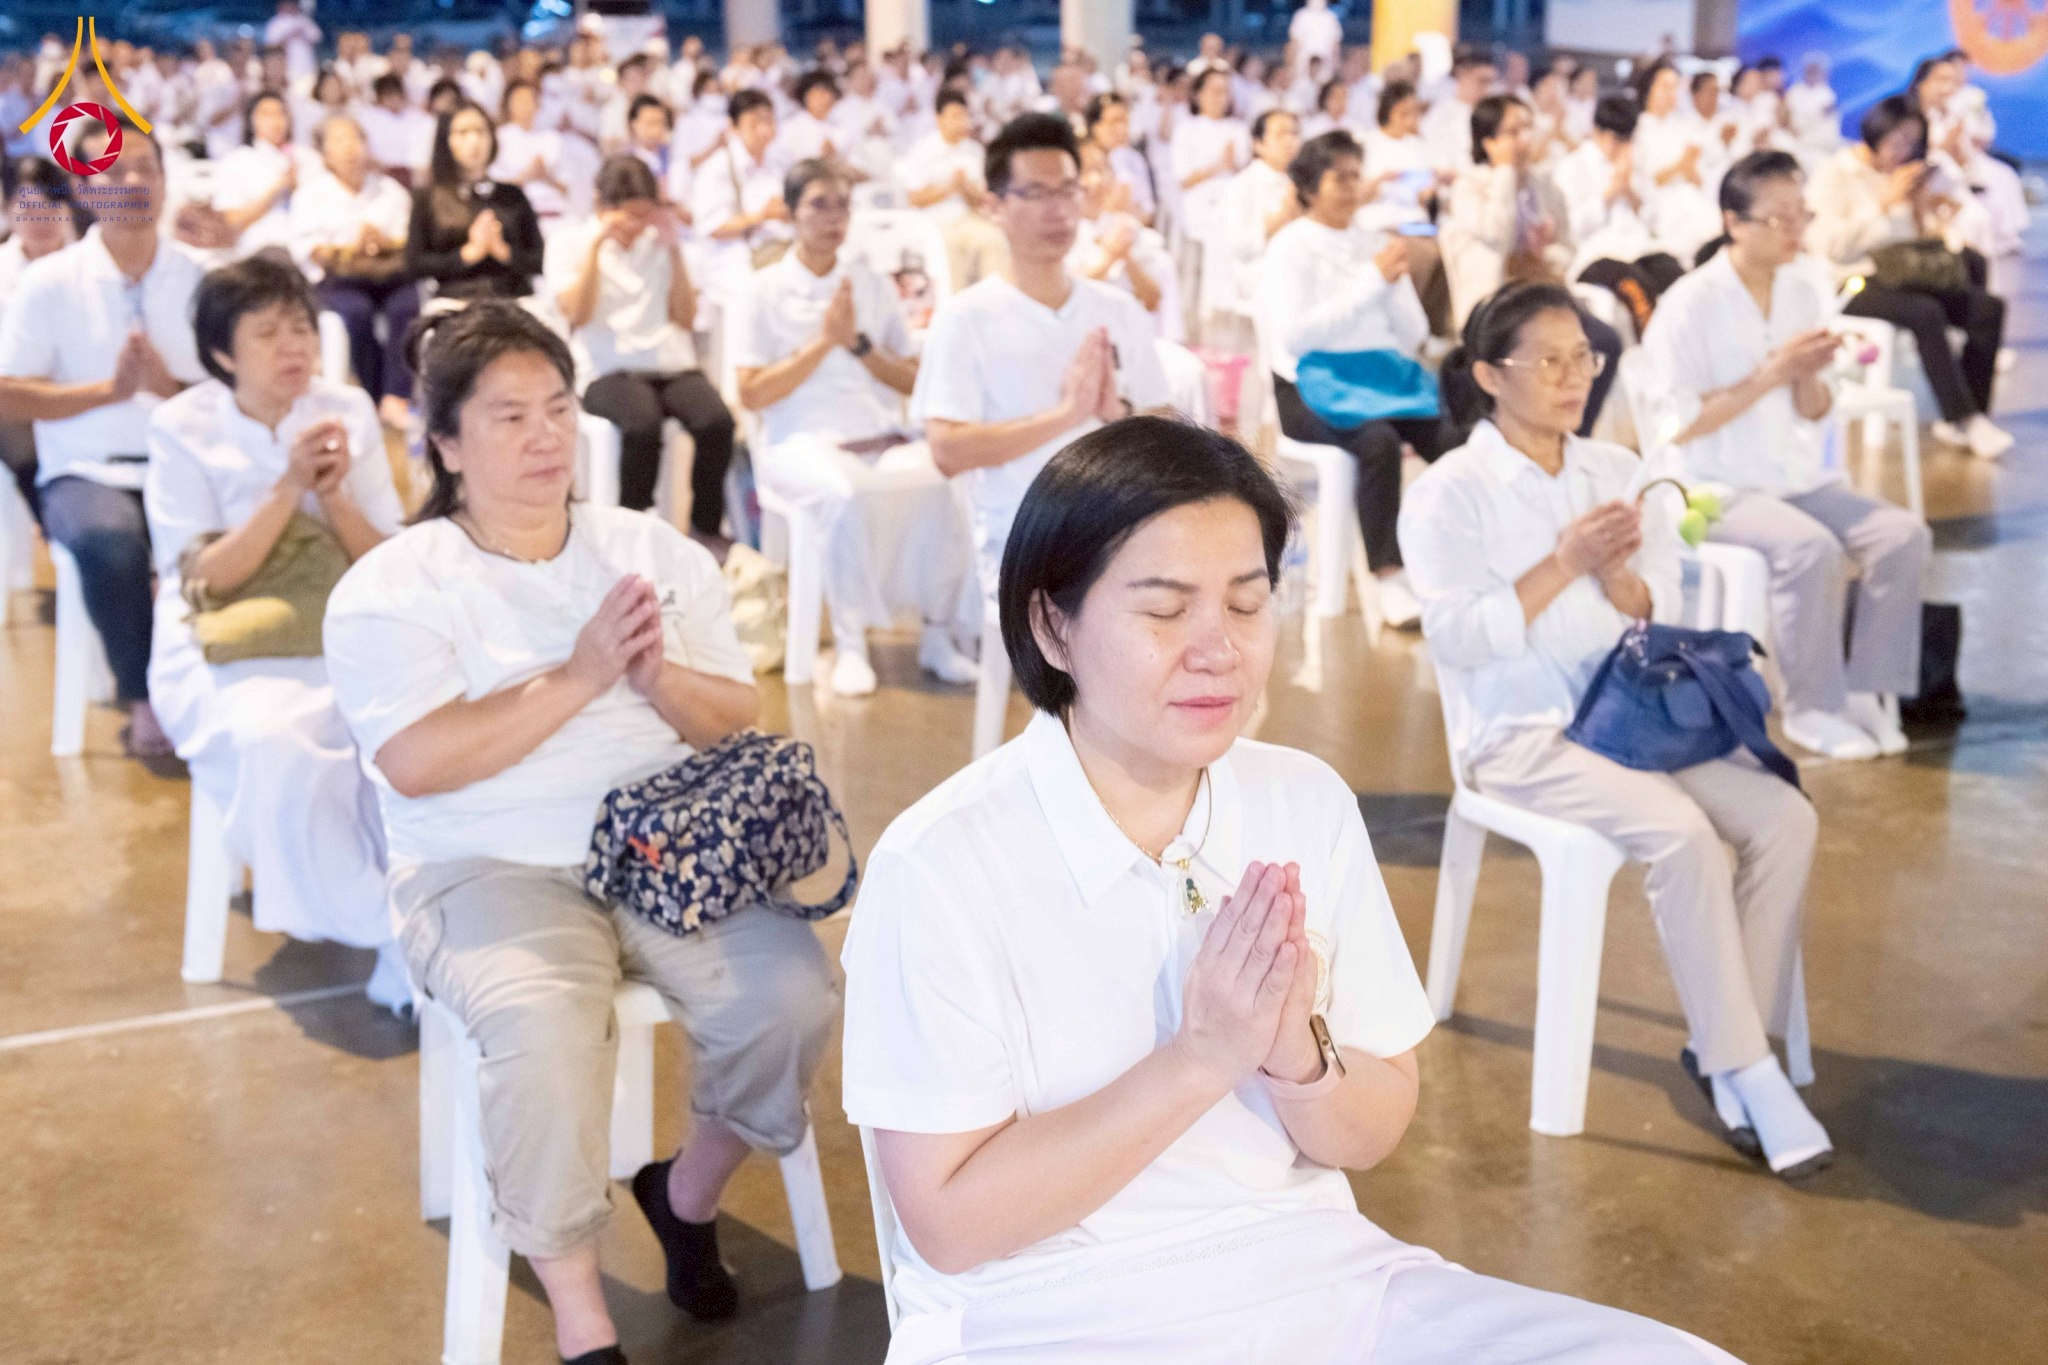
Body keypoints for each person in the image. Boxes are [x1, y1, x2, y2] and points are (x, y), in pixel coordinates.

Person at [842, 411, 1750, 1363]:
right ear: (1051, 624)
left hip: (1312, 1273)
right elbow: (949, 1223)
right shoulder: (942, 863)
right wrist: (1198, 1059)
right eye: (1163, 609)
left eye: (1246, 603)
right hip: (1046, 1311)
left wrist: (1296, 1057)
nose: (1219, 648)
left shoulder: (1300, 799)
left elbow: (1372, 1130)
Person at [324, 301, 838, 1365]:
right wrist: (582, 675)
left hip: (664, 842)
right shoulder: (395, 582)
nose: (545, 435)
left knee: (788, 996)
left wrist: (655, 678)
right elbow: (416, 762)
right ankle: (581, 1315)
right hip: (485, 862)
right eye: (508, 417)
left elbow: (730, 713)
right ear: (448, 445)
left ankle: (683, 1196)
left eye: (556, 407)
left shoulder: (646, 547)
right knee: (544, 1025)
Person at [1401, 280, 1832, 1183]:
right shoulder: (1451, 491)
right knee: (1680, 835)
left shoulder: (1614, 470)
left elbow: (1658, 596)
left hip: (1633, 715)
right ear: (1488, 373)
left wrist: (1628, 585)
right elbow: (1457, 636)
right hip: (1523, 734)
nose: (1573, 378)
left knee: (1785, 816)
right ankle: (1748, 1069)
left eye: (1584, 359)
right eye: (1548, 360)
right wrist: (1562, 565)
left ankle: (1725, 1041)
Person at [143, 256, 408, 1009]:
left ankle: (409, 924)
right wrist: (289, 486)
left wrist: (338, 496)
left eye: (301, 327)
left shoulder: (347, 409)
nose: (294, 347)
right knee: (277, 739)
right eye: (268, 333)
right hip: (225, 635)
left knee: (400, 730)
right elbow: (205, 578)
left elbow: (387, 555)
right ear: (224, 353)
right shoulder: (181, 425)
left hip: (336, 615)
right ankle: (384, 923)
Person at [1642, 152, 1931, 760]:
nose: (1796, 230)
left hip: (1791, 472)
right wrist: (1774, 372)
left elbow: (1817, 408)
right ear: (1734, 222)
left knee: (1902, 535)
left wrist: (1807, 377)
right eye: (1780, 219)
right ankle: (1811, 706)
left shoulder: (1804, 287)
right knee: (1810, 548)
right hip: (1709, 483)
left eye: (1801, 215)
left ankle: (1867, 690)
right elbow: (1679, 424)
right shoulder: (1690, 304)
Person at [731, 158, 979, 696]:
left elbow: (914, 379)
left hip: (874, 430)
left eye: (843, 205)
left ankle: (938, 637)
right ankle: (850, 644)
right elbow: (751, 392)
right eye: (820, 204)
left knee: (944, 480)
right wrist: (824, 340)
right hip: (797, 438)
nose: (834, 217)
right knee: (842, 492)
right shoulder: (762, 290)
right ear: (791, 213)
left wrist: (858, 345)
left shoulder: (868, 282)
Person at [0, 128, 205, 758]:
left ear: (166, 182)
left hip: (188, 463)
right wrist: (109, 392)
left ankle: (224, 684)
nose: (134, 184)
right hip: (86, 469)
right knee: (110, 543)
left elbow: (233, 391)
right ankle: (144, 695)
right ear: (86, 189)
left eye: (147, 169)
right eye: (114, 174)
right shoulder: (51, 281)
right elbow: (9, 395)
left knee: (249, 534)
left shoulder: (200, 279)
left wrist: (166, 384)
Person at [912, 113, 1169, 606]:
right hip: (1028, 530)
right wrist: (1065, 417)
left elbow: (1162, 419)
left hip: (1119, 517)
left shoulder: (1115, 308)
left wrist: (1120, 417)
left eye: (1068, 191)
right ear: (995, 207)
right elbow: (948, 451)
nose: (1059, 211)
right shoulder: (966, 319)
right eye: (1036, 194)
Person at [1259, 131, 1444, 628]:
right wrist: (1371, 286)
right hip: (1312, 389)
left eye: (1355, 175)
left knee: (1455, 437)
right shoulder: (1289, 249)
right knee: (1378, 442)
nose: (1351, 186)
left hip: (1382, 379)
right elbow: (1296, 337)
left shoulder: (1376, 243)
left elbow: (1415, 335)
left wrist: (1394, 286)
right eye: (1339, 177)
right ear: (1308, 186)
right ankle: (1388, 575)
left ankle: (1454, 557)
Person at [549, 156, 736, 553]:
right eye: (626, 216)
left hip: (670, 362)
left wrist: (674, 252)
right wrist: (598, 246)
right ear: (602, 207)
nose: (635, 226)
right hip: (606, 367)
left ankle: (704, 527)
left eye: (644, 215)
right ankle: (631, 527)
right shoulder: (572, 242)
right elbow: (576, 314)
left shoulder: (662, 242)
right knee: (641, 425)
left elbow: (685, 318)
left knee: (717, 421)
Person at [1807, 95, 2011, 458]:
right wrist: (1883, 205)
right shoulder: (1836, 173)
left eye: (1912, 142)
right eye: (1897, 139)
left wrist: (1925, 210)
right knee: (1925, 311)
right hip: (1851, 280)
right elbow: (1831, 248)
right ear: (1876, 130)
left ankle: (1970, 412)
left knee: (1986, 307)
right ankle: (1962, 416)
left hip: (1906, 275)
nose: (1903, 150)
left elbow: (1918, 245)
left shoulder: (1910, 173)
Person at [1442, 95, 1623, 432]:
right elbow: (1496, 232)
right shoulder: (1470, 187)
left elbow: (1568, 248)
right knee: (1538, 354)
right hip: (1494, 305)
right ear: (1489, 142)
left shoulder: (1544, 185)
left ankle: (1570, 434)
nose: (1524, 138)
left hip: (1542, 295)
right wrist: (1506, 171)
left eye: (1527, 127)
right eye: (1512, 131)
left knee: (1604, 342)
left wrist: (1544, 253)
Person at [292, 114, 419, 429]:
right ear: (324, 153)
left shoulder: (389, 191)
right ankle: (376, 395)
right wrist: (351, 246)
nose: (349, 148)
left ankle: (396, 396)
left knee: (407, 305)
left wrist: (382, 241)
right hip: (339, 279)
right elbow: (306, 247)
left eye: (355, 139)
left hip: (388, 275)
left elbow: (410, 240)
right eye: (338, 140)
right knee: (355, 312)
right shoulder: (311, 194)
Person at [1550, 93, 1686, 335]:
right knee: (1636, 291)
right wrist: (1609, 194)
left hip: (1640, 248)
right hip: (1597, 255)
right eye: (1615, 139)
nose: (1621, 147)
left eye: (1627, 140)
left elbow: (1655, 220)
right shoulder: (1571, 168)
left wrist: (1631, 193)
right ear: (1597, 132)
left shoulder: (1636, 165)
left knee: (1680, 281)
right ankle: (1653, 356)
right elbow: (1570, 228)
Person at [405, 99, 545, 302]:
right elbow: (415, 264)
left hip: (514, 298)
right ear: (445, 140)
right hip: (455, 300)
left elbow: (539, 260)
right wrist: (467, 254)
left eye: (481, 131)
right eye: (462, 133)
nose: (474, 141)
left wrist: (502, 251)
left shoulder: (512, 195)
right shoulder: (427, 197)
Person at [0, 159, 79, 519]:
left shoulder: (89, 261)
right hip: (21, 394)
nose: (40, 220)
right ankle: (49, 522)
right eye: (27, 208)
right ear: (8, 212)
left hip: (87, 387)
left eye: (50, 207)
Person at [687, 89, 791, 315]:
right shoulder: (717, 168)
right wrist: (762, 215)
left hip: (779, 251)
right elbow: (712, 227)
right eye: (754, 124)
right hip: (735, 261)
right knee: (753, 292)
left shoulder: (780, 163)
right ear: (733, 127)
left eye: (769, 121)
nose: (764, 130)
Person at [1630, 60, 1726, 267]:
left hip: (1690, 195)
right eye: (1665, 87)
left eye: (1675, 87)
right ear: (1649, 89)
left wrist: (1690, 169)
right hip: (1660, 204)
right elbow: (1647, 181)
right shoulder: (1639, 129)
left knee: (1715, 222)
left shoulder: (1682, 128)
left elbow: (1697, 176)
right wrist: (1680, 166)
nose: (1671, 93)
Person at [210, 89, 306, 260]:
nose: (275, 121)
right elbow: (230, 222)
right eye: (266, 114)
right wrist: (277, 189)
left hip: (305, 247)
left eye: (281, 113)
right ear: (251, 121)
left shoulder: (305, 157)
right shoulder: (236, 161)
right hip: (261, 252)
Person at [1421, 48, 1497, 174]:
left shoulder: (1494, 113)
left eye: (1491, 82)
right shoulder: (1440, 115)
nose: (1487, 89)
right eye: (1482, 81)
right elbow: (1434, 157)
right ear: (1462, 74)